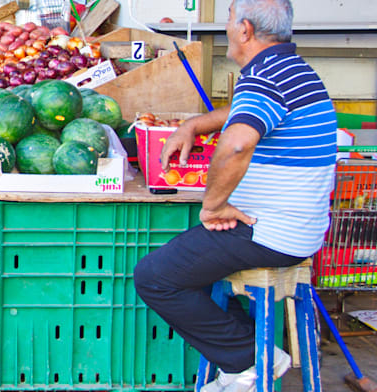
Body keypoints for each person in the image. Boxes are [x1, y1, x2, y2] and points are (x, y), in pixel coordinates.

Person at [133, 0, 337, 391]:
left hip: (270, 233)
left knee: (156, 277)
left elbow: (236, 146)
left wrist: (213, 206)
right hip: (300, 229)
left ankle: (249, 360)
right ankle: (249, 358)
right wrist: (195, 123)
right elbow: (240, 113)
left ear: (244, 30)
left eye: (228, 19)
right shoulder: (292, 70)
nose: (226, 27)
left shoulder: (264, 77)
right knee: (189, 271)